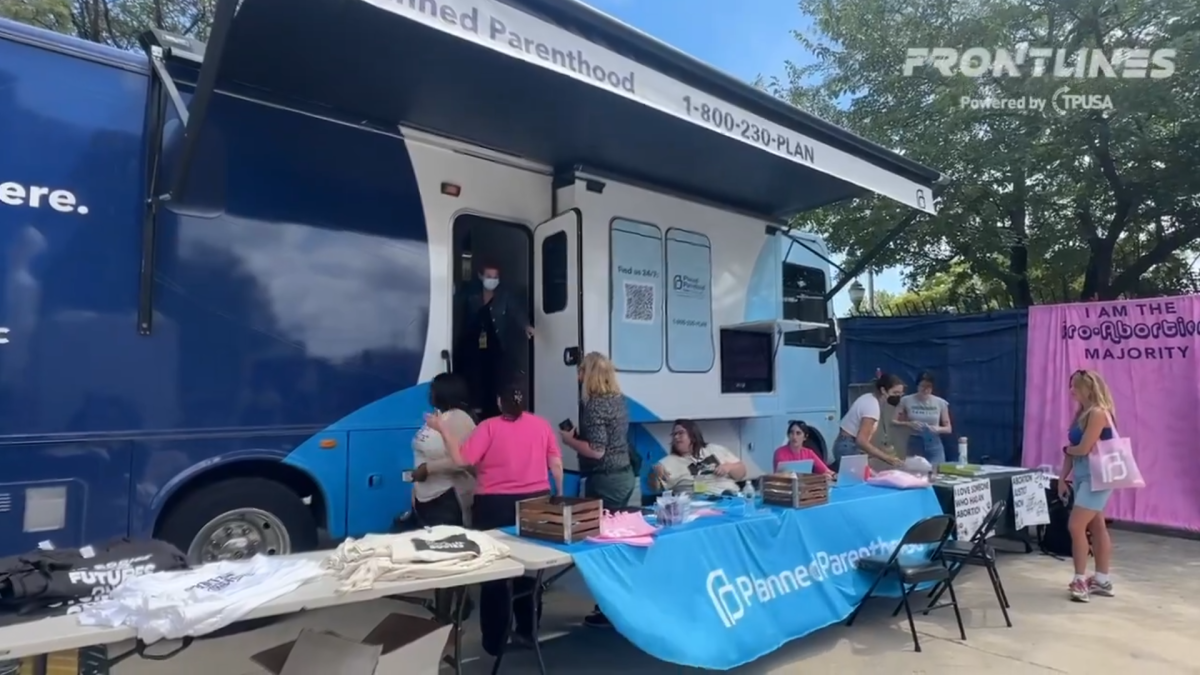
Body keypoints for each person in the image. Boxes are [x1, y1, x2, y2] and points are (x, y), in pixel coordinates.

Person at [426, 380, 564, 654]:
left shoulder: (488, 427)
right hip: (536, 503)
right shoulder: (541, 425)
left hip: (494, 507)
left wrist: (443, 430)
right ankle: (528, 631)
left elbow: (462, 460)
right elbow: (556, 464)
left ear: (500, 402)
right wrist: (558, 495)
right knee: (530, 571)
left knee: (495, 574)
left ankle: (495, 641)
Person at [559, 352, 636, 629]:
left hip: (605, 479)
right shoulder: (619, 401)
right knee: (617, 543)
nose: (578, 377)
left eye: (581, 372)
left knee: (601, 548)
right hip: (624, 475)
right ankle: (614, 605)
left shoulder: (593, 405)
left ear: (589, 375)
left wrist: (570, 441)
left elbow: (597, 450)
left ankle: (608, 608)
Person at [1058, 369, 1116, 603]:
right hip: (1083, 476)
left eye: (1076, 386)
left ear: (1088, 388)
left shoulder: (1098, 413)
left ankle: (1080, 579)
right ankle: (1102, 579)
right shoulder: (1081, 414)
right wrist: (1063, 478)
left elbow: (1080, 449)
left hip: (1097, 477)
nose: (1071, 390)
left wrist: (1067, 450)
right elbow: (1074, 449)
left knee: (1075, 526)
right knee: (1097, 526)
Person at [454, 261, 534, 417]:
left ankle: (494, 414)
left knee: (496, 382)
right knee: (474, 381)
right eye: (489, 276)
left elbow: (516, 312)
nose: (492, 280)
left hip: (496, 349)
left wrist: (527, 326)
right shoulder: (470, 297)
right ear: (480, 276)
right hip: (473, 350)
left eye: (495, 277)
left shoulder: (504, 297)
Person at [410, 373, 477, 527]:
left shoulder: (459, 419)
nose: (430, 394)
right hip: (425, 498)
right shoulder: (438, 417)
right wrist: (415, 491)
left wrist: (428, 469)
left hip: (447, 497)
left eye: (433, 390)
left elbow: (464, 459)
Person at [652, 419, 745, 495]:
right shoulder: (668, 462)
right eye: (674, 434)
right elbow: (655, 488)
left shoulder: (714, 449)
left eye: (680, 433)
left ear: (693, 436)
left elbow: (741, 473)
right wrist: (654, 475)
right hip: (697, 504)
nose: (676, 437)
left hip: (730, 496)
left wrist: (728, 467)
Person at [834, 373, 905, 466]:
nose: (898, 396)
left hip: (846, 444)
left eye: (901, 393)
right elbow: (861, 441)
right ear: (883, 390)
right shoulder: (872, 407)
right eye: (895, 393)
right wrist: (887, 458)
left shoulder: (868, 398)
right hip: (848, 447)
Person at [894, 373, 952, 466]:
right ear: (917, 386)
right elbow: (893, 421)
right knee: (915, 473)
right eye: (923, 386)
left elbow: (948, 428)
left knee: (937, 472)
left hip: (934, 443)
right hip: (915, 441)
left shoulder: (940, 403)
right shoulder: (906, 400)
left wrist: (938, 429)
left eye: (929, 386)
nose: (925, 389)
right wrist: (908, 424)